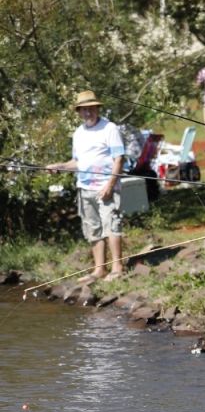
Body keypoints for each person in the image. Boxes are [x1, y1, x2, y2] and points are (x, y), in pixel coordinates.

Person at [48, 91, 127, 282]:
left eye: (91, 108)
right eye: (84, 109)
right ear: (79, 112)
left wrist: (110, 184)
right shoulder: (78, 133)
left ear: (97, 108)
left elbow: (119, 159)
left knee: (111, 225)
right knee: (93, 228)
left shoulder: (110, 128)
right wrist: (59, 166)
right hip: (85, 188)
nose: (88, 112)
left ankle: (118, 268)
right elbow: (77, 162)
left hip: (106, 187)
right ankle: (99, 269)